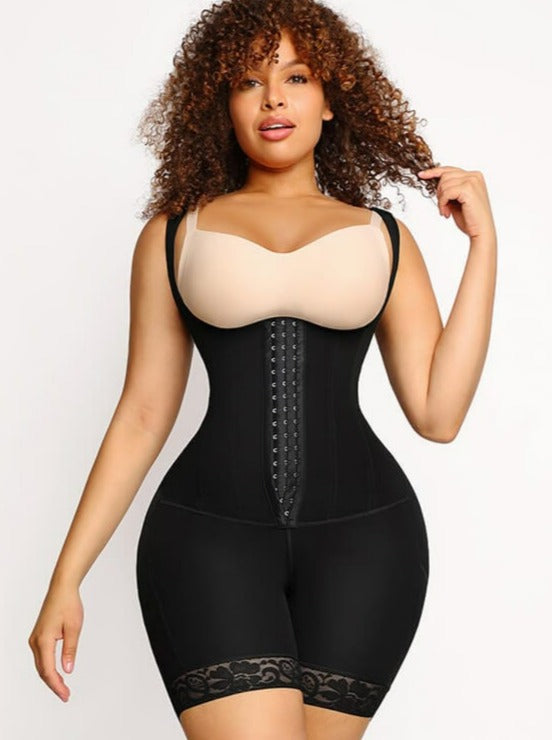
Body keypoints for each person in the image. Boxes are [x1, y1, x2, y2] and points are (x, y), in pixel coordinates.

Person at [27, 1, 497, 738]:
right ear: (222, 104)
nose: (273, 98)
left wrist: (482, 245)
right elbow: (143, 413)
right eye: (249, 81)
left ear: (331, 98)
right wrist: (66, 577)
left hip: (368, 544)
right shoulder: (174, 234)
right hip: (208, 541)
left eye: (296, 77)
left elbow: (438, 415)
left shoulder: (384, 236)